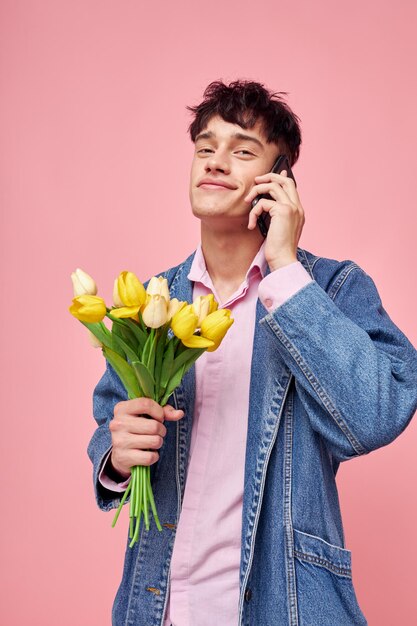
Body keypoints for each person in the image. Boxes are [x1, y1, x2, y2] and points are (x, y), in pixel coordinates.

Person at [88, 80, 417, 626]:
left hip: (285, 606)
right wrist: (116, 456)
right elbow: (111, 421)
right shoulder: (151, 300)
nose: (215, 162)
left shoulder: (331, 291)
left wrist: (285, 268)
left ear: (280, 179)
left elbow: (375, 415)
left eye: (242, 151)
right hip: (157, 607)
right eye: (205, 147)